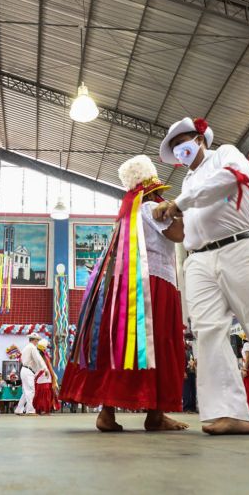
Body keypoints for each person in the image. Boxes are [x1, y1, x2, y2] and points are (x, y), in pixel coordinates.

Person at [154, 117, 249, 435]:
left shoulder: (225, 154)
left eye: (183, 140)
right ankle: (229, 412)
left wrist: (179, 203)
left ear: (200, 139)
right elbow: (189, 224)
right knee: (208, 332)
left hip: (238, 249)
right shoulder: (186, 183)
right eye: (173, 146)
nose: (179, 149)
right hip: (197, 259)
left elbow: (236, 178)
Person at [61, 155, 188, 432]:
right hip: (153, 284)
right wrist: (179, 210)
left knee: (120, 345)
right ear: (152, 188)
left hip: (125, 288)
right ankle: (155, 413)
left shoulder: (126, 216)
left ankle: (107, 412)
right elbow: (179, 235)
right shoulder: (152, 208)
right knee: (157, 342)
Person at [16, 333, 43, 416]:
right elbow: (37, 360)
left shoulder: (26, 348)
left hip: (25, 370)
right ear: (34, 340)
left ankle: (19, 409)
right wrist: (43, 368)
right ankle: (30, 410)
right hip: (28, 371)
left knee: (26, 392)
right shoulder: (32, 348)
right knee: (30, 391)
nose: (37, 342)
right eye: (37, 340)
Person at [33, 339, 59, 415]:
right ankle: (45, 410)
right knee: (46, 394)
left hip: (39, 378)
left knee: (39, 394)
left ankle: (40, 410)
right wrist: (54, 378)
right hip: (45, 378)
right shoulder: (45, 357)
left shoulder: (37, 357)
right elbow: (50, 369)